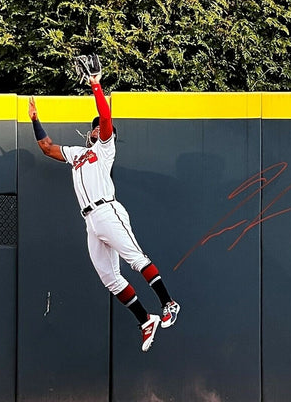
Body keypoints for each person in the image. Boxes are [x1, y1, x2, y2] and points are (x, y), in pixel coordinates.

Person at [27, 73, 180, 352]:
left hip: (107, 210)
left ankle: (169, 303)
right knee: (110, 279)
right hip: (90, 220)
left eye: (101, 127)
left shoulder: (105, 148)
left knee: (135, 259)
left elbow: (106, 118)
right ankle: (146, 320)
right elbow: (47, 148)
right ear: (90, 132)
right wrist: (35, 119)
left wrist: (95, 85)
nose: (98, 128)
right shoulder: (76, 153)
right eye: (94, 127)